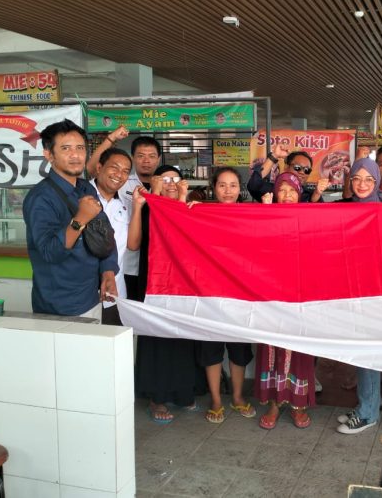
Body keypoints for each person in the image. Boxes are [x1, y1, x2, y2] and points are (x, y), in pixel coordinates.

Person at [23, 119, 118, 318]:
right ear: (49, 155)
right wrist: (79, 220)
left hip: (91, 296)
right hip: (59, 305)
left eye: (80, 148)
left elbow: (104, 233)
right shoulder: (41, 198)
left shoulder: (85, 187)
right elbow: (50, 253)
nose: (75, 155)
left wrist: (108, 270)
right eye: (66, 148)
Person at [127, 165, 199, 423]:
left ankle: (182, 392)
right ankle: (156, 398)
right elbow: (133, 244)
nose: (170, 183)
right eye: (165, 178)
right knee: (156, 337)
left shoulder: (187, 207)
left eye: (175, 179)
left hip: (182, 282)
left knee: (181, 336)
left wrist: (181, 199)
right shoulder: (145, 206)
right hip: (153, 281)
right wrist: (144, 202)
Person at [256, 172, 316, 429]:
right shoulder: (262, 216)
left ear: (300, 193)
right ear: (274, 193)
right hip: (270, 294)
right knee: (271, 347)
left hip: (301, 294)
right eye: (282, 190)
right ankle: (273, 402)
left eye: (292, 190)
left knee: (299, 350)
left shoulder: (310, 218)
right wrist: (266, 215)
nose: (288, 195)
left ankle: (298, 403)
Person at [199, 167, 256, 423]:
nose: (228, 190)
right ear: (214, 187)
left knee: (238, 351)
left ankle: (237, 397)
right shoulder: (201, 213)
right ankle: (216, 399)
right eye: (222, 185)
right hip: (209, 294)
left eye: (233, 185)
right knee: (211, 350)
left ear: (239, 188)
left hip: (239, 295)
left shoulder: (250, 215)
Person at [336, 158, 382, 435]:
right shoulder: (345, 209)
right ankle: (368, 404)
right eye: (357, 178)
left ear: (377, 181)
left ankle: (368, 414)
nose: (362, 184)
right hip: (351, 288)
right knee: (361, 349)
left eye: (368, 179)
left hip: (375, 291)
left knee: (368, 351)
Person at [88, 130, 162, 301]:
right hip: (127, 263)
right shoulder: (121, 181)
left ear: (158, 159)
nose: (146, 160)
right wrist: (111, 139)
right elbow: (93, 169)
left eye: (151, 156)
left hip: (155, 263)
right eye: (141, 155)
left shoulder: (166, 184)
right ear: (134, 157)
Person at [90, 147, 133, 325]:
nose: (119, 175)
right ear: (99, 168)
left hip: (114, 293)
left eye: (125, 171)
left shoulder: (124, 205)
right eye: (114, 167)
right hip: (83, 294)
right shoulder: (80, 197)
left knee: (112, 346)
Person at [247, 142, 325, 203]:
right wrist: (274, 156)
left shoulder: (311, 194)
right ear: (286, 167)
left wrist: (315, 197)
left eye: (307, 170)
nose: (302, 172)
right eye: (297, 168)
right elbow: (254, 185)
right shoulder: (272, 191)